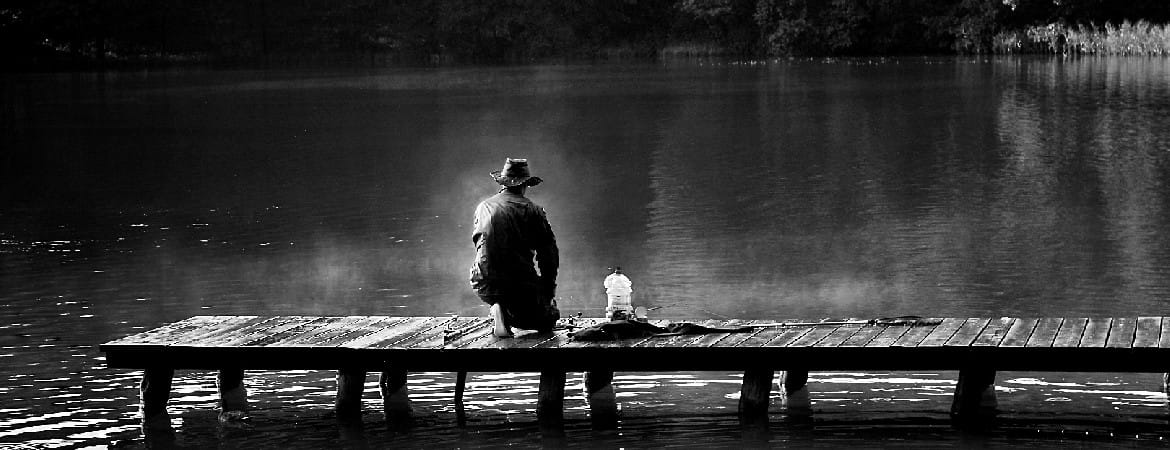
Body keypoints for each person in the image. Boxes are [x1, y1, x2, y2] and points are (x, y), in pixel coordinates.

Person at [470, 158, 560, 337]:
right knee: (548, 320)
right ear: (525, 184)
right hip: (518, 285)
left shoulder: (483, 207)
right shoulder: (533, 210)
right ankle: (507, 314)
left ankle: (498, 307)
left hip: (482, 282)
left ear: (503, 183)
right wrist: (548, 293)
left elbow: (482, 246)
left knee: (508, 290)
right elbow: (548, 256)